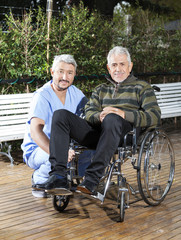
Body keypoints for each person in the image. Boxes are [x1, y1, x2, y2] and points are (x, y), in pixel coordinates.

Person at [35, 46, 161, 195]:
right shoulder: (101, 89)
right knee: (60, 115)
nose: (118, 69)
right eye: (114, 65)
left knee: (112, 118)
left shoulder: (142, 88)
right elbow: (88, 111)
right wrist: (98, 116)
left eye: (122, 64)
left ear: (130, 66)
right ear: (108, 68)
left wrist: (123, 114)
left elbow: (154, 115)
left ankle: (92, 179)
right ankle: (58, 176)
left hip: (125, 136)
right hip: (98, 134)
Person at [21, 54, 88, 197]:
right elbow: (35, 131)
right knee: (59, 156)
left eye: (70, 73)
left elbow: (88, 118)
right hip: (37, 149)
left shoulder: (77, 94)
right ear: (52, 72)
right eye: (61, 71)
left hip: (66, 146)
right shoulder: (43, 95)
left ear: (74, 75)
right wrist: (58, 151)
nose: (65, 77)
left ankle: (68, 179)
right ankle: (39, 180)